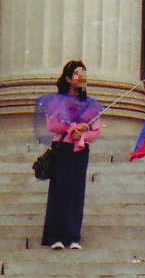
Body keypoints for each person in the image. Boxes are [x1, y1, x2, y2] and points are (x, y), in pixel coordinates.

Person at [34, 61, 102, 250]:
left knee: (76, 193)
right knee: (59, 191)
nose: (83, 79)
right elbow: (52, 126)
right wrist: (74, 127)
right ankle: (54, 236)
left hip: (80, 151)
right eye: (79, 75)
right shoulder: (56, 101)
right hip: (62, 149)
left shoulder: (90, 105)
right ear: (68, 78)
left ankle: (73, 237)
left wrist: (83, 134)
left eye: (84, 75)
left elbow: (96, 131)